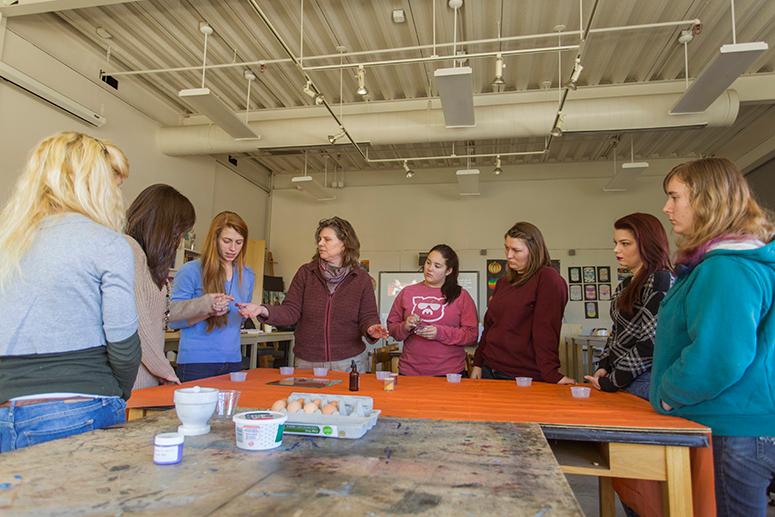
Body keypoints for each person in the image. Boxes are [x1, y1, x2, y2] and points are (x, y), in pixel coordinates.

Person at [0, 132, 140, 452]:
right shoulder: (106, 243)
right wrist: (115, 391)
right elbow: (123, 344)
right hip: (79, 403)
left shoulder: (7, 240)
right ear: (95, 183)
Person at [651, 158, 775, 517]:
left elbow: (720, 356)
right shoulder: (746, 261)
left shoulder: (724, 268)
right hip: (750, 424)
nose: (667, 208)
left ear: (707, 200)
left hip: (734, 427)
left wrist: (669, 394)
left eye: (675, 197)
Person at [125, 184, 234, 389]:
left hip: (148, 379)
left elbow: (163, 314)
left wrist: (207, 306)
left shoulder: (147, 261)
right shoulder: (130, 252)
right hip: (137, 381)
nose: (177, 242)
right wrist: (166, 370)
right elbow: (138, 326)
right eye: (178, 234)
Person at [249, 217, 387, 372]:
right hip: (307, 362)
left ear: (344, 244)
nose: (320, 243)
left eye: (327, 239)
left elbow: (368, 316)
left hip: (349, 362)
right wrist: (263, 310)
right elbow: (290, 310)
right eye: (319, 239)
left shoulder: (361, 279)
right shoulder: (306, 273)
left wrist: (372, 328)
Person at [471, 222, 573, 383]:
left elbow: (547, 331)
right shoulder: (503, 283)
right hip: (489, 369)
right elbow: (490, 325)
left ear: (533, 251)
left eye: (516, 250)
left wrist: (551, 373)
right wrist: (477, 363)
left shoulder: (548, 279)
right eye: (506, 248)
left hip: (522, 375)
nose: (509, 255)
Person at [584, 213, 673, 399]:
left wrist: (614, 380)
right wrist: (604, 365)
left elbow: (651, 343)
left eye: (625, 244)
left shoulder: (659, 280)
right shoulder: (626, 285)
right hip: (625, 378)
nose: (616, 250)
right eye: (615, 243)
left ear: (647, 244)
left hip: (645, 380)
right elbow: (616, 332)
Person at [169, 211, 254, 382]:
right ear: (214, 239)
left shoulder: (247, 275)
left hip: (233, 360)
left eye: (239, 242)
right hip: (197, 362)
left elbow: (239, 321)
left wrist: (249, 311)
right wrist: (207, 310)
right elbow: (172, 318)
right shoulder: (190, 270)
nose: (233, 249)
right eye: (227, 241)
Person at [387, 244, 479, 376]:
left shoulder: (461, 295)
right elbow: (392, 329)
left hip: (449, 373)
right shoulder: (407, 292)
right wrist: (405, 326)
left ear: (448, 271)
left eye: (437, 266)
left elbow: (472, 335)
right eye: (428, 263)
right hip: (410, 372)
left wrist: (439, 333)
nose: (429, 269)